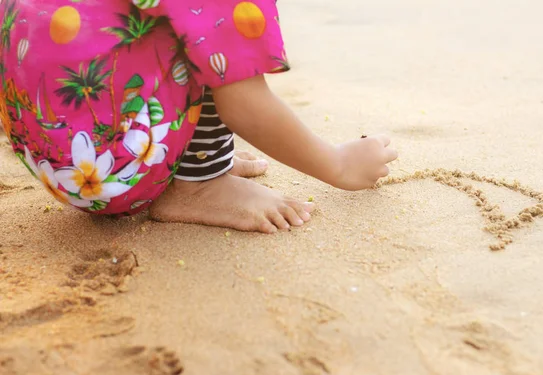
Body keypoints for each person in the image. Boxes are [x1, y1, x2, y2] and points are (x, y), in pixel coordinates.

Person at [0, 0, 398, 233]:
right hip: (112, 172)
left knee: (155, 25)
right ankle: (198, 184)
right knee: (216, 48)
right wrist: (339, 165)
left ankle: (194, 154)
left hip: (47, 148)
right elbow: (244, 101)